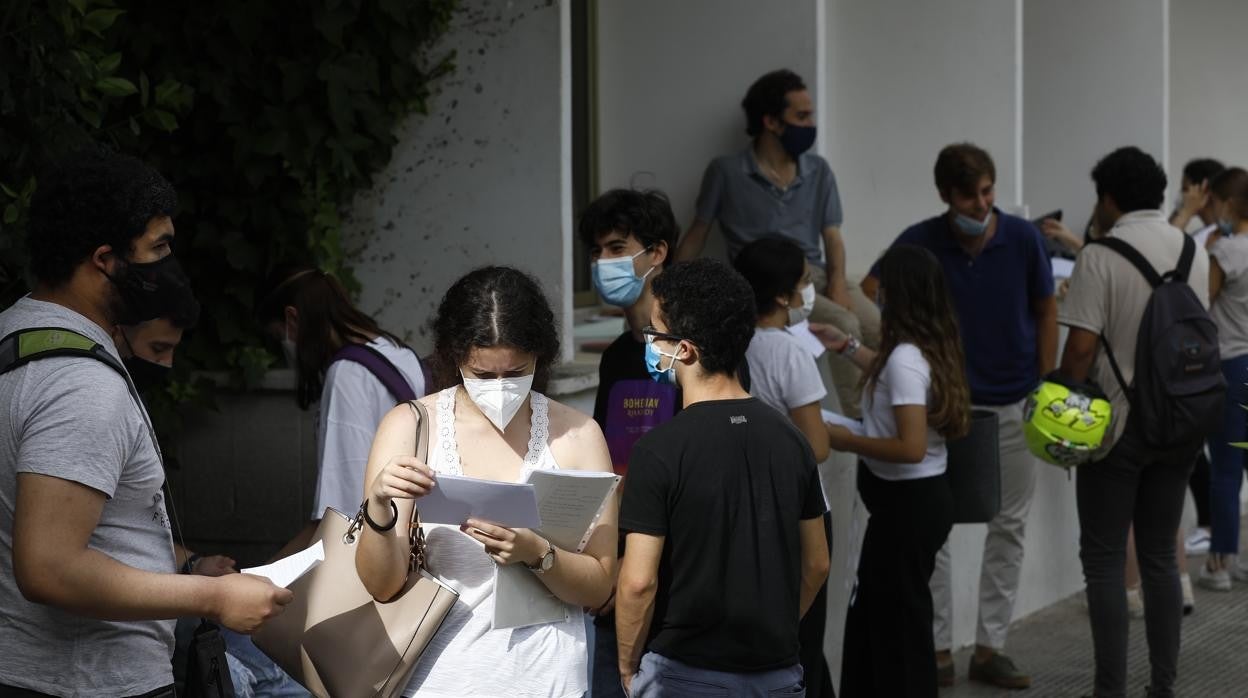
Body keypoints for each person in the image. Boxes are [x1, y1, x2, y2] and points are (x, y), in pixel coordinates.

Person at [0, 148, 291, 697]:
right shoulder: (80, 383)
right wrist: (214, 598)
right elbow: (48, 567)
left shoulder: (15, 336)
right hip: (87, 683)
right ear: (105, 259)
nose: (169, 267)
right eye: (158, 248)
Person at [355, 266, 617, 697]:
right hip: (440, 679)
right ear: (455, 358)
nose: (501, 388)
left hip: (550, 680)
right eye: (484, 375)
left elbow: (600, 584)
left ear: (540, 357)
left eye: (517, 373)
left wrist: (537, 553)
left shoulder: (577, 435)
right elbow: (381, 586)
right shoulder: (409, 427)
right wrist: (380, 505)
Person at [861, 142, 1057, 690]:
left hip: (1013, 400)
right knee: (937, 532)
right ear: (945, 196)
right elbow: (872, 288)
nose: (981, 204)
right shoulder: (921, 240)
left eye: (988, 192)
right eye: (969, 195)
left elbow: (1046, 308)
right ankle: (938, 648)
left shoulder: (1022, 238)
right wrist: (913, 347)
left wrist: (1045, 380)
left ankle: (991, 647)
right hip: (944, 408)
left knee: (1009, 525)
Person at [615, 258, 829, 697]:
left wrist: (626, 666)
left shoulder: (658, 451)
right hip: (779, 675)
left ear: (685, 349)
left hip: (682, 675)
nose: (651, 343)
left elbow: (638, 581)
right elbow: (818, 562)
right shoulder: (792, 442)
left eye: (656, 333)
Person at [1058, 146, 1210, 698]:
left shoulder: (1100, 255)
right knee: (1160, 560)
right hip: (1181, 424)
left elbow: (1079, 349)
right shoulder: (1192, 248)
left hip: (1116, 426)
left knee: (1102, 561)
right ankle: (1163, 687)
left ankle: (1110, 690)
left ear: (1109, 198)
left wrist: (1058, 398)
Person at [114, 310, 309, 697]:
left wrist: (194, 563)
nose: (166, 363)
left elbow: (134, 532)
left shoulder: (123, 401)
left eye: (173, 350)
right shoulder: (93, 402)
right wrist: (212, 595)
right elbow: (61, 566)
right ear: (118, 333)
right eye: (157, 348)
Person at [811, 244, 970, 697]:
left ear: (899, 296)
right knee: (888, 619)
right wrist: (846, 346)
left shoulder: (906, 360)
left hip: (907, 509)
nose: (873, 295)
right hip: (916, 505)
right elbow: (891, 373)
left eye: (881, 288)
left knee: (898, 630)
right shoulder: (924, 348)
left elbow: (910, 446)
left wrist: (843, 437)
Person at [675, 68, 880, 416]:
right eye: (801, 116)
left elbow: (833, 236)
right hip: (768, 283)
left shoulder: (818, 170)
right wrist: (670, 288)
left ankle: (893, 418)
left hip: (814, 274)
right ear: (771, 122)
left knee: (878, 328)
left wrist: (838, 286)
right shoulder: (726, 172)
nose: (810, 124)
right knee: (845, 326)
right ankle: (858, 420)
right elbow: (698, 231)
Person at [579, 188, 682, 698]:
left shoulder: (693, 348)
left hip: (678, 575)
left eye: (617, 249)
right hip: (622, 566)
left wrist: (636, 566)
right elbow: (609, 468)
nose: (603, 263)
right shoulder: (617, 356)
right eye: (598, 252)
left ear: (657, 253)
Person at [257, 266, 426, 561]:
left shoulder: (348, 375)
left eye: (277, 337)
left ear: (292, 319)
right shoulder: (395, 351)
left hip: (381, 549)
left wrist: (264, 575)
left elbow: (343, 516)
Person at [734, 236, 838, 698]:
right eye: (805, 282)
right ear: (781, 295)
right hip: (800, 512)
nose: (808, 292)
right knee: (803, 645)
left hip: (747, 509)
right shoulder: (790, 351)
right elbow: (815, 445)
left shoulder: (732, 347)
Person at [1200, 166, 1248, 591]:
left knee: (1226, 469)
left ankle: (1220, 562)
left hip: (1232, 364)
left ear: (1230, 205)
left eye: (1213, 204)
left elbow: (1202, 301)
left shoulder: (1227, 252)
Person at [1170, 157, 1226, 234]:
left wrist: (1186, 212)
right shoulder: (1201, 234)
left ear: (1204, 190)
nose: (1182, 195)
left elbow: (1168, 240)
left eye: (1185, 189)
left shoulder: (1225, 235)